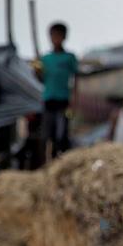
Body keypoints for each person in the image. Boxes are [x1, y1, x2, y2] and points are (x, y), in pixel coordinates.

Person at [38, 22, 77, 161]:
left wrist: (74, 101)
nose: (55, 38)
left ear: (64, 37)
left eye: (58, 35)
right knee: (46, 135)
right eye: (53, 35)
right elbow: (41, 79)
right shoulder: (45, 59)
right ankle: (45, 163)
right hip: (48, 100)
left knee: (61, 135)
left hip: (63, 101)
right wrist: (37, 71)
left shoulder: (69, 58)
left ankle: (60, 160)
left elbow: (75, 79)